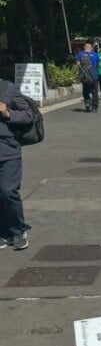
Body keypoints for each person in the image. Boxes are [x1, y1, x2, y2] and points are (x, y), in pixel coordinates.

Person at [0, 78, 34, 250]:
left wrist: (8, 114)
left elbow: (28, 115)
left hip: (7, 151)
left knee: (7, 191)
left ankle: (18, 231)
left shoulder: (7, 88)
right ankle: (4, 232)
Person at [76, 42, 100, 112]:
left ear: (84, 47)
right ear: (91, 48)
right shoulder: (95, 55)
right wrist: (95, 69)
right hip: (94, 76)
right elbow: (100, 65)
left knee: (86, 91)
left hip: (85, 76)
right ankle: (95, 107)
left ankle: (87, 103)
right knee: (94, 92)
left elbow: (78, 64)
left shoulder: (80, 54)